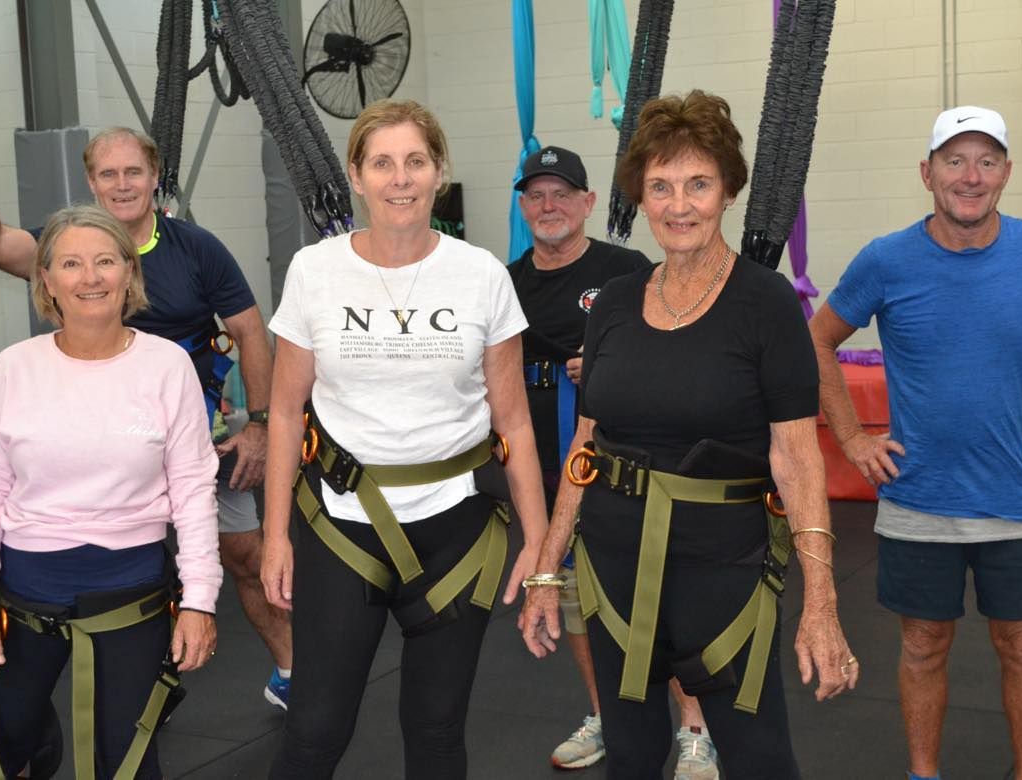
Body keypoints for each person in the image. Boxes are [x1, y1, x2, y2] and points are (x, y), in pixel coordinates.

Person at [519, 90, 857, 779]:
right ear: (640, 198)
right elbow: (586, 443)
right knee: (634, 755)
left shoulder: (765, 302)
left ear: (728, 190)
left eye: (698, 184)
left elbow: (796, 457)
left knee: (761, 757)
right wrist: (547, 569)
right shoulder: (614, 301)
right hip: (613, 565)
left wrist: (821, 604)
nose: (679, 205)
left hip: (722, 569)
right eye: (661, 187)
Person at [0, 128, 294, 708]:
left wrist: (260, 425)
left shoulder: (196, 249)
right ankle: (122, 692)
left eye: (134, 172)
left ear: (154, 176)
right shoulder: (63, 246)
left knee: (241, 554)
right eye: (109, 174)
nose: (122, 184)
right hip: (106, 443)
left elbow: (248, 330)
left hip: (196, 435)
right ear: (91, 183)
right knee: (111, 572)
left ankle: (294, 672)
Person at [260, 98, 548, 780]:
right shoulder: (315, 271)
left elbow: (513, 423)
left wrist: (538, 546)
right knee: (314, 732)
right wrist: (275, 534)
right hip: (340, 526)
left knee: (437, 731)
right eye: (382, 163)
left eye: (415, 161)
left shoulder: (481, 275)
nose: (400, 178)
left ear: (439, 172)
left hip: (459, 532)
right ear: (356, 177)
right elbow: (282, 412)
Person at [809, 106, 1022, 780]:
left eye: (986, 161)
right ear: (928, 173)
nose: (971, 176)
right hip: (918, 497)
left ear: (1006, 173)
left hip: (1019, 497)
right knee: (923, 647)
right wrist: (853, 439)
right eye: (955, 160)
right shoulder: (887, 260)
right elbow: (818, 340)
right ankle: (925, 775)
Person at [0, 204, 222, 779]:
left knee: (125, 763)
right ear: (46, 280)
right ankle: (35, 743)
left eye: (105, 261)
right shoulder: (13, 368)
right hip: (27, 590)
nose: (90, 277)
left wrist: (199, 600)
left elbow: (194, 490)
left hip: (131, 590)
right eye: (70, 264)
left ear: (130, 272)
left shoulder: (167, 366)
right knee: (0, 754)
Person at [510, 145, 720, 778]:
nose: (549, 206)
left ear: (589, 203)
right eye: (537, 196)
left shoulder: (626, 269)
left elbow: (675, 347)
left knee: (657, 597)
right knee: (574, 598)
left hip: (627, 465)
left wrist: (603, 362)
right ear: (523, 207)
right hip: (547, 465)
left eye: (562, 194)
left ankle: (693, 729)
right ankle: (604, 714)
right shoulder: (507, 282)